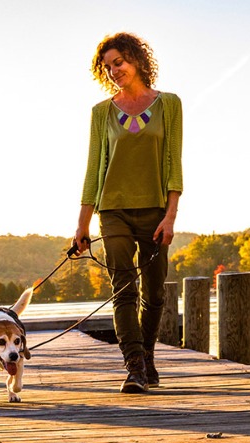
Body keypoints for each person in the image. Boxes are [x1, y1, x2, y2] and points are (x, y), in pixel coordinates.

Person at [72, 32, 182, 394]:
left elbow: (173, 164)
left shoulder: (169, 104)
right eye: (108, 67)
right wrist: (83, 225)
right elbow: (93, 170)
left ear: (136, 59)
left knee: (155, 294)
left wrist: (170, 216)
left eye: (118, 62)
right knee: (123, 291)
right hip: (113, 210)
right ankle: (134, 367)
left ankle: (147, 355)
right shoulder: (101, 113)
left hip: (155, 211)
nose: (114, 70)